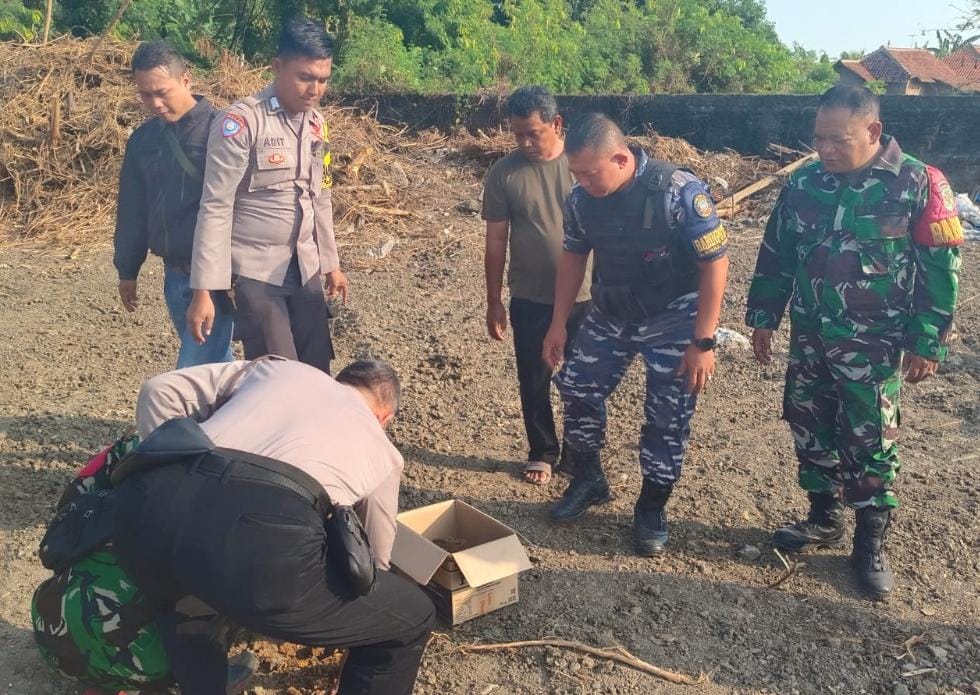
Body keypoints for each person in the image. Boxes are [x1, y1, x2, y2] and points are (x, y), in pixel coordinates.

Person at [745, 85, 962, 600]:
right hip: (811, 337)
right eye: (818, 138)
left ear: (873, 131)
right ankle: (824, 519)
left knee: (871, 440)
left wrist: (928, 338)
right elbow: (776, 254)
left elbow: (941, 269)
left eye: (837, 139)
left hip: (876, 345)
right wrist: (763, 317)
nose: (825, 149)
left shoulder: (919, 183)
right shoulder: (803, 184)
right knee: (809, 422)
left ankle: (869, 544)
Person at [110, 356, 435, 694]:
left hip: (143, 513)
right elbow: (373, 563)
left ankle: (208, 685)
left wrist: (170, 470)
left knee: (185, 590)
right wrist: (363, 624)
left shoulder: (278, 369)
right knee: (411, 618)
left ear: (337, 381)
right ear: (385, 417)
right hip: (262, 540)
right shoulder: (384, 451)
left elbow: (158, 390)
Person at [541, 113, 729, 556]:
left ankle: (651, 506)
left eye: (590, 172)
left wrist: (703, 341)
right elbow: (573, 256)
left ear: (622, 159)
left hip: (674, 315)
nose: (583, 182)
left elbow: (715, 263)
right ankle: (589, 479)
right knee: (577, 388)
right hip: (613, 311)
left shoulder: (678, 191)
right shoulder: (581, 200)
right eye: (576, 174)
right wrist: (557, 323)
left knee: (668, 415)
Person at [187, 17, 348, 373]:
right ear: (277, 67)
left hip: (304, 265)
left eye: (323, 79)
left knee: (317, 366)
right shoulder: (242, 122)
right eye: (305, 77)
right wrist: (203, 291)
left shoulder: (318, 124)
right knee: (276, 371)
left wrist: (331, 264)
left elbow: (321, 195)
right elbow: (215, 206)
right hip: (256, 271)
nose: (315, 89)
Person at [482, 86, 591, 485]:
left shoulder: (581, 167)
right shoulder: (504, 174)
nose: (525, 142)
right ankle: (542, 450)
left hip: (586, 295)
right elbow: (496, 239)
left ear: (557, 124)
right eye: (518, 135)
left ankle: (582, 454)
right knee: (534, 376)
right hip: (529, 293)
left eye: (534, 133)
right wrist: (494, 300)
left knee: (583, 379)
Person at [113, 41, 234, 368]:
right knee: (214, 367)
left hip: (216, 278)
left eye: (161, 92)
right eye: (145, 94)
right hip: (174, 275)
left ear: (186, 81)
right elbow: (132, 209)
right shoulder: (143, 140)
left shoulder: (221, 132)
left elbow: (240, 207)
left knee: (193, 370)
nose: (154, 103)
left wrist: (214, 282)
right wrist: (128, 269)